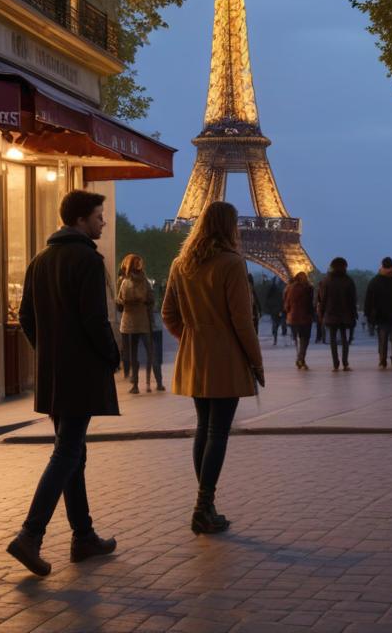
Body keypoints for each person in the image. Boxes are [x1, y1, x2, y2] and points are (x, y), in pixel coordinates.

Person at [7, 190, 120, 576]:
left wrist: (48, 351)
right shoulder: (87, 260)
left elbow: (25, 316)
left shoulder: (40, 260)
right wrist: (112, 355)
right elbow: (95, 319)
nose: (103, 222)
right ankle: (30, 535)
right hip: (81, 372)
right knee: (67, 453)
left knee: (73, 451)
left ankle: (83, 536)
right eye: (98, 216)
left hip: (54, 374)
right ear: (81, 219)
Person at [161, 201, 265, 535]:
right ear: (230, 227)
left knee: (203, 428)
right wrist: (256, 360)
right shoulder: (232, 263)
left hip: (196, 355)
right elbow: (242, 321)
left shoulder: (181, 263)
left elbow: (168, 313)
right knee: (218, 431)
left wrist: (191, 337)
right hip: (225, 357)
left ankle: (205, 505)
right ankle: (203, 507)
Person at [117, 254, 159, 394]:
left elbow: (120, 301)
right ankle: (157, 382)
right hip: (142, 320)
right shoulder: (144, 281)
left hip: (129, 321)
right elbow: (151, 299)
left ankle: (135, 385)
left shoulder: (124, 282)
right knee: (150, 351)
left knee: (133, 353)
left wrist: (126, 303)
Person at [365, 257, 392, 368]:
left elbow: (368, 299)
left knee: (383, 339)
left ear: (382, 266)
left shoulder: (375, 281)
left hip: (381, 316)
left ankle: (382, 361)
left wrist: (368, 314)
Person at [319, 257, 358, 371]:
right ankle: (345, 363)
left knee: (332, 340)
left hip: (331, 313)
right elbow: (353, 299)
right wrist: (354, 313)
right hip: (345, 313)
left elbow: (323, 299)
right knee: (344, 338)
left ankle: (335, 363)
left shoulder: (326, 281)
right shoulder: (348, 281)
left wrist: (321, 313)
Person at [283, 271, 316, 370]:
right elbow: (310, 304)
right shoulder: (309, 288)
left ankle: (300, 358)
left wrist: (289, 312)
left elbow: (286, 304)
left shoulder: (289, 288)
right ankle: (300, 358)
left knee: (297, 339)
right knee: (304, 339)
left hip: (293, 317)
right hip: (305, 317)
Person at [261, 277, 284, 347]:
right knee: (277, 322)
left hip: (273, 309)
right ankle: (275, 333)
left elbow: (267, 300)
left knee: (275, 322)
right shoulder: (280, 291)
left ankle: (275, 334)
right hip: (278, 309)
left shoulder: (271, 291)